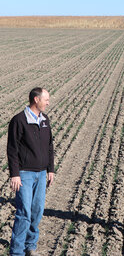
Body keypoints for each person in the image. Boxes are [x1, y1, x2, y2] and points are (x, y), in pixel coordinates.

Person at [7, 87, 54, 256]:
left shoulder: (45, 120)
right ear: (36, 99)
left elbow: (49, 146)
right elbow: (12, 149)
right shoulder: (19, 120)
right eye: (46, 99)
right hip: (25, 174)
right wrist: (15, 174)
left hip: (41, 173)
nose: (48, 102)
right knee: (24, 212)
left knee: (37, 212)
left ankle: (30, 245)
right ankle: (17, 252)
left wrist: (51, 169)